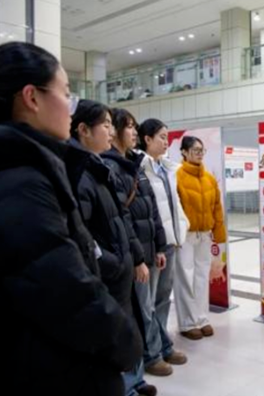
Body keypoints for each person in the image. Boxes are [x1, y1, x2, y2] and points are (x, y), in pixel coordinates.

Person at [0, 41, 141, 396]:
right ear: (32, 97)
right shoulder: (23, 182)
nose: (70, 108)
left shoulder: (35, 167)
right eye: (66, 93)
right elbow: (66, 292)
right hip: (55, 371)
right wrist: (126, 343)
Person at [68, 99, 156, 396]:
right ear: (83, 130)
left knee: (126, 328)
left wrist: (131, 257)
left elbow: (120, 218)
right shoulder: (81, 174)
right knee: (111, 336)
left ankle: (132, 383)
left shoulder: (98, 168)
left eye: (111, 124)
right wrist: (114, 262)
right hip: (108, 273)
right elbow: (80, 234)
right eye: (105, 125)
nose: (110, 131)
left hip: (120, 269)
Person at [102, 108, 170, 384]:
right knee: (142, 309)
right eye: (128, 126)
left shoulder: (136, 163)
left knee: (153, 304)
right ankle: (149, 358)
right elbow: (123, 217)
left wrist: (160, 246)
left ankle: (155, 352)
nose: (134, 132)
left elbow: (152, 208)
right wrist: (139, 258)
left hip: (149, 247)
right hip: (135, 253)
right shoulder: (110, 166)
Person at [135, 118, 188, 372]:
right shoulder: (139, 168)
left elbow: (174, 204)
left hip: (170, 242)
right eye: (162, 137)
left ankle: (164, 344)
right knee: (148, 303)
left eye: (168, 137)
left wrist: (181, 230)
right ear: (147, 139)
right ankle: (151, 353)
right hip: (153, 244)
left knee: (164, 299)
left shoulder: (167, 168)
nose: (167, 142)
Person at [174, 135, 227, 340]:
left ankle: (202, 318)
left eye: (201, 150)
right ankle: (187, 323)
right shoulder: (176, 176)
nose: (199, 154)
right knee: (185, 278)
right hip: (185, 236)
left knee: (202, 277)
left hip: (204, 235)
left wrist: (219, 235)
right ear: (184, 152)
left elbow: (217, 209)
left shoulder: (209, 178)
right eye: (195, 150)